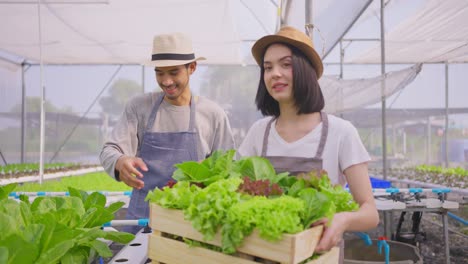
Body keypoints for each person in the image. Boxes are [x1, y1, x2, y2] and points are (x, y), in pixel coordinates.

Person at [237, 26, 379, 260]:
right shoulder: (258, 133)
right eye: (268, 67)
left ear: (307, 71)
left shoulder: (340, 132)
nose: (275, 74)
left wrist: (342, 219)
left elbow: (370, 212)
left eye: (286, 64)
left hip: (318, 256)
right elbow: (235, 191)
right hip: (263, 254)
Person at [100, 32, 236, 234]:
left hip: (191, 220)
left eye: (173, 72)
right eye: (159, 73)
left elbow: (229, 168)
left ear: (192, 68)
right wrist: (120, 162)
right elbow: (109, 150)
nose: (166, 81)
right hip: (143, 219)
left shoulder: (212, 114)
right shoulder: (140, 107)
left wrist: (209, 175)